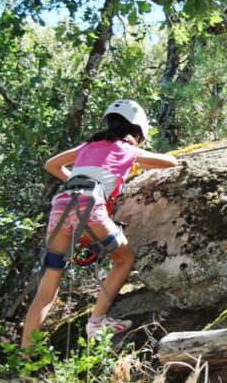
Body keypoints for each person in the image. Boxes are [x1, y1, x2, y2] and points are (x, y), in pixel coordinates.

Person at [21, 99, 178, 348]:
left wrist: (76, 179)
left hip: (61, 205)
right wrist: (133, 163)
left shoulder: (87, 146)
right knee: (124, 260)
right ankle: (97, 321)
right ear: (137, 131)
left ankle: (22, 359)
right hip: (88, 206)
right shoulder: (128, 149)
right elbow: (172, 162)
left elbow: (51, 164)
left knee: (47, 290)